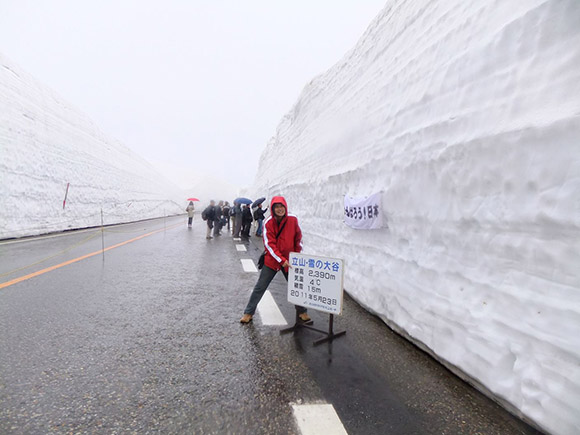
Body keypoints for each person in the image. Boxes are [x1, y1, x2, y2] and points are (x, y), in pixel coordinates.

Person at [240, 196, 311, 324]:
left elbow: (298, 239)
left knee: (296, 286)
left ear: (285, 206)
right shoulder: (268, 223)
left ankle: (302, 311)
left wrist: (296, 256)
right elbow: (269, 244)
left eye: (281, 206)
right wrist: (281, 259)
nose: (280, 209)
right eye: (276, 207)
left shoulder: (293, 220)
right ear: (272, 209)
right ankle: (248, 312)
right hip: (272, 260)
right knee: (260, 286)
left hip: (289, 261)